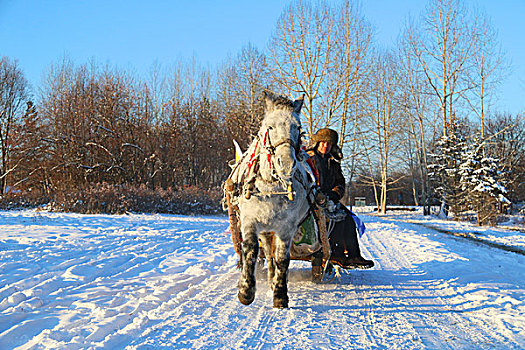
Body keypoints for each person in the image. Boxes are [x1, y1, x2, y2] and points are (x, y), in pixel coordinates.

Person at [307, 128, 374, 270]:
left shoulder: (333, 162)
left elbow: (340, 183)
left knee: (347, 219)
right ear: (318, 143)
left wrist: (334, 195)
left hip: (329, 199)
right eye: (323, 143)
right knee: (329, 221)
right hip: (308, 200)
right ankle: (336, 254)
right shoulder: (308, 159)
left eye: (329, 144)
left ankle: (353, 255)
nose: (325, 146)